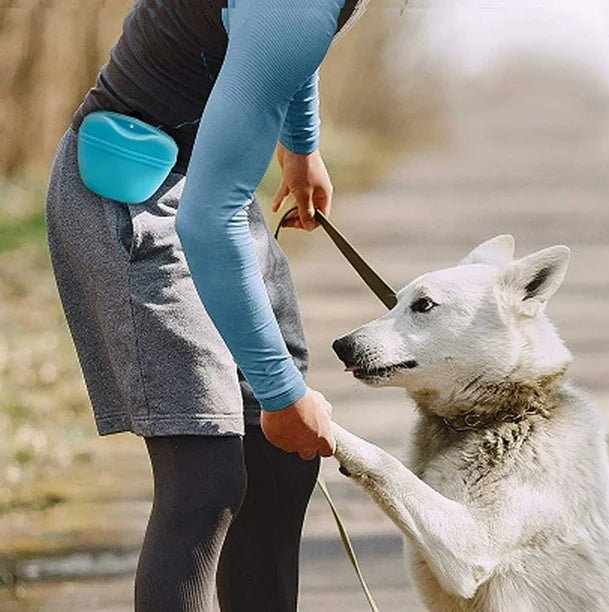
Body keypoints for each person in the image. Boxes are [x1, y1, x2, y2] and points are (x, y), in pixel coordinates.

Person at [44, 0, 371, 610]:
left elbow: (282, 45)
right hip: (131, 197)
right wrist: (281, 394)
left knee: (280, 461)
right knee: (206, 482)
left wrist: (300, 146)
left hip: (211, 185)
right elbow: (207, 225)